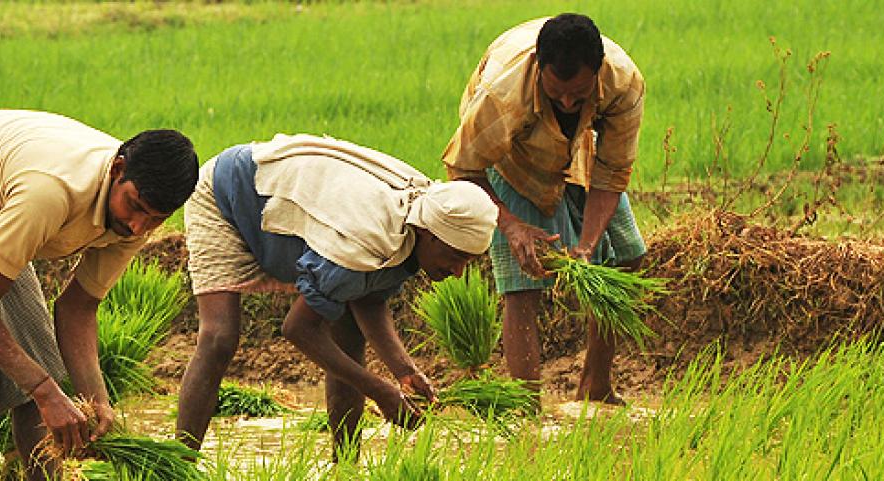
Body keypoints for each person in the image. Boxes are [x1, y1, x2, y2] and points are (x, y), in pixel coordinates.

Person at [0, 109, 198, 480]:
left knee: (42, 372)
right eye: (136, 207)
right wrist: (46, 392)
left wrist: (97, 401)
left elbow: (78, 307)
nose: (140, 225)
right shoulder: (50, 192)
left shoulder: (134, 222)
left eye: (157, 218)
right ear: (117, 169)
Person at [176, 134, 499, 458]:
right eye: (455, 257)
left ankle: (345, 466)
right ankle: (181, 464)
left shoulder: (414, 224)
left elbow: (369, 299)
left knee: (348, 334)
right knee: (220, 337)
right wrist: (378, 390)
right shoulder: (370, 235)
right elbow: (298, 329)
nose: (457, 272)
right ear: (429, 234)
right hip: (230, 194)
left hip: (299, 206)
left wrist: (403, 370)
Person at [441, 13, 647, 404]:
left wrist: (586, 245)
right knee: (523, 278)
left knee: (626, 256)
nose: (568, 102)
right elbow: (463, 166)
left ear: (598, 73)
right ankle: (526, 403)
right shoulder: (501, 94)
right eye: (557, 95)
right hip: (509, 156)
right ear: (539, 68)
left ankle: (596, 387)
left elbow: (613, 171)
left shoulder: (623, 83)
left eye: (579, 95)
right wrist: (513, 226)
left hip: (576, 147)